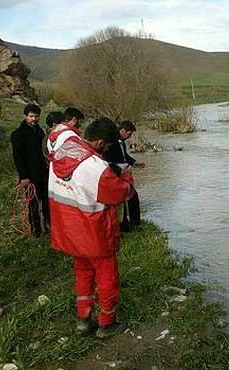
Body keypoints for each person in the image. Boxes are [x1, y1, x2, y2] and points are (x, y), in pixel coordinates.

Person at [48, 117, 134, 339]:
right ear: (101, 142)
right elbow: (121, 193)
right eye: (108, 146)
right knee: (107, 278)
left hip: (69, 231)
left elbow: (58, 131)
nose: (108, 150)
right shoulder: (97, 168)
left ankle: (83, 320)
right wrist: (126, 177)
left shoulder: (63, 150)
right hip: (95, 233)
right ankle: (107, 323)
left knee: (83, 273)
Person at [10, 104, 49, 237]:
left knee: (46, 202)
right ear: (25, 116)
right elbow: (18, 158)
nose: (34, 119)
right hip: (29, 176)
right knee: (32, 204)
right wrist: (23, 176)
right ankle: (36, 231)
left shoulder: (40, 131)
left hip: (43, 174)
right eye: (31, 116)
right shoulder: (18, 135)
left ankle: (49, 227)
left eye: (36, 116)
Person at [103, 120, 144, 232]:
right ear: (122, 130)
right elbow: (108, 159)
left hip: (123, 173)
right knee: (124, 199)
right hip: (116, 174)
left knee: (131, 197)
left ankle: (133, 224)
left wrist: (134, 163)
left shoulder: (121, 141)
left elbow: (124, 156)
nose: (129, 137)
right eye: (129, 134)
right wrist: (121, 167)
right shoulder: (112, 142)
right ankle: (126, 226)